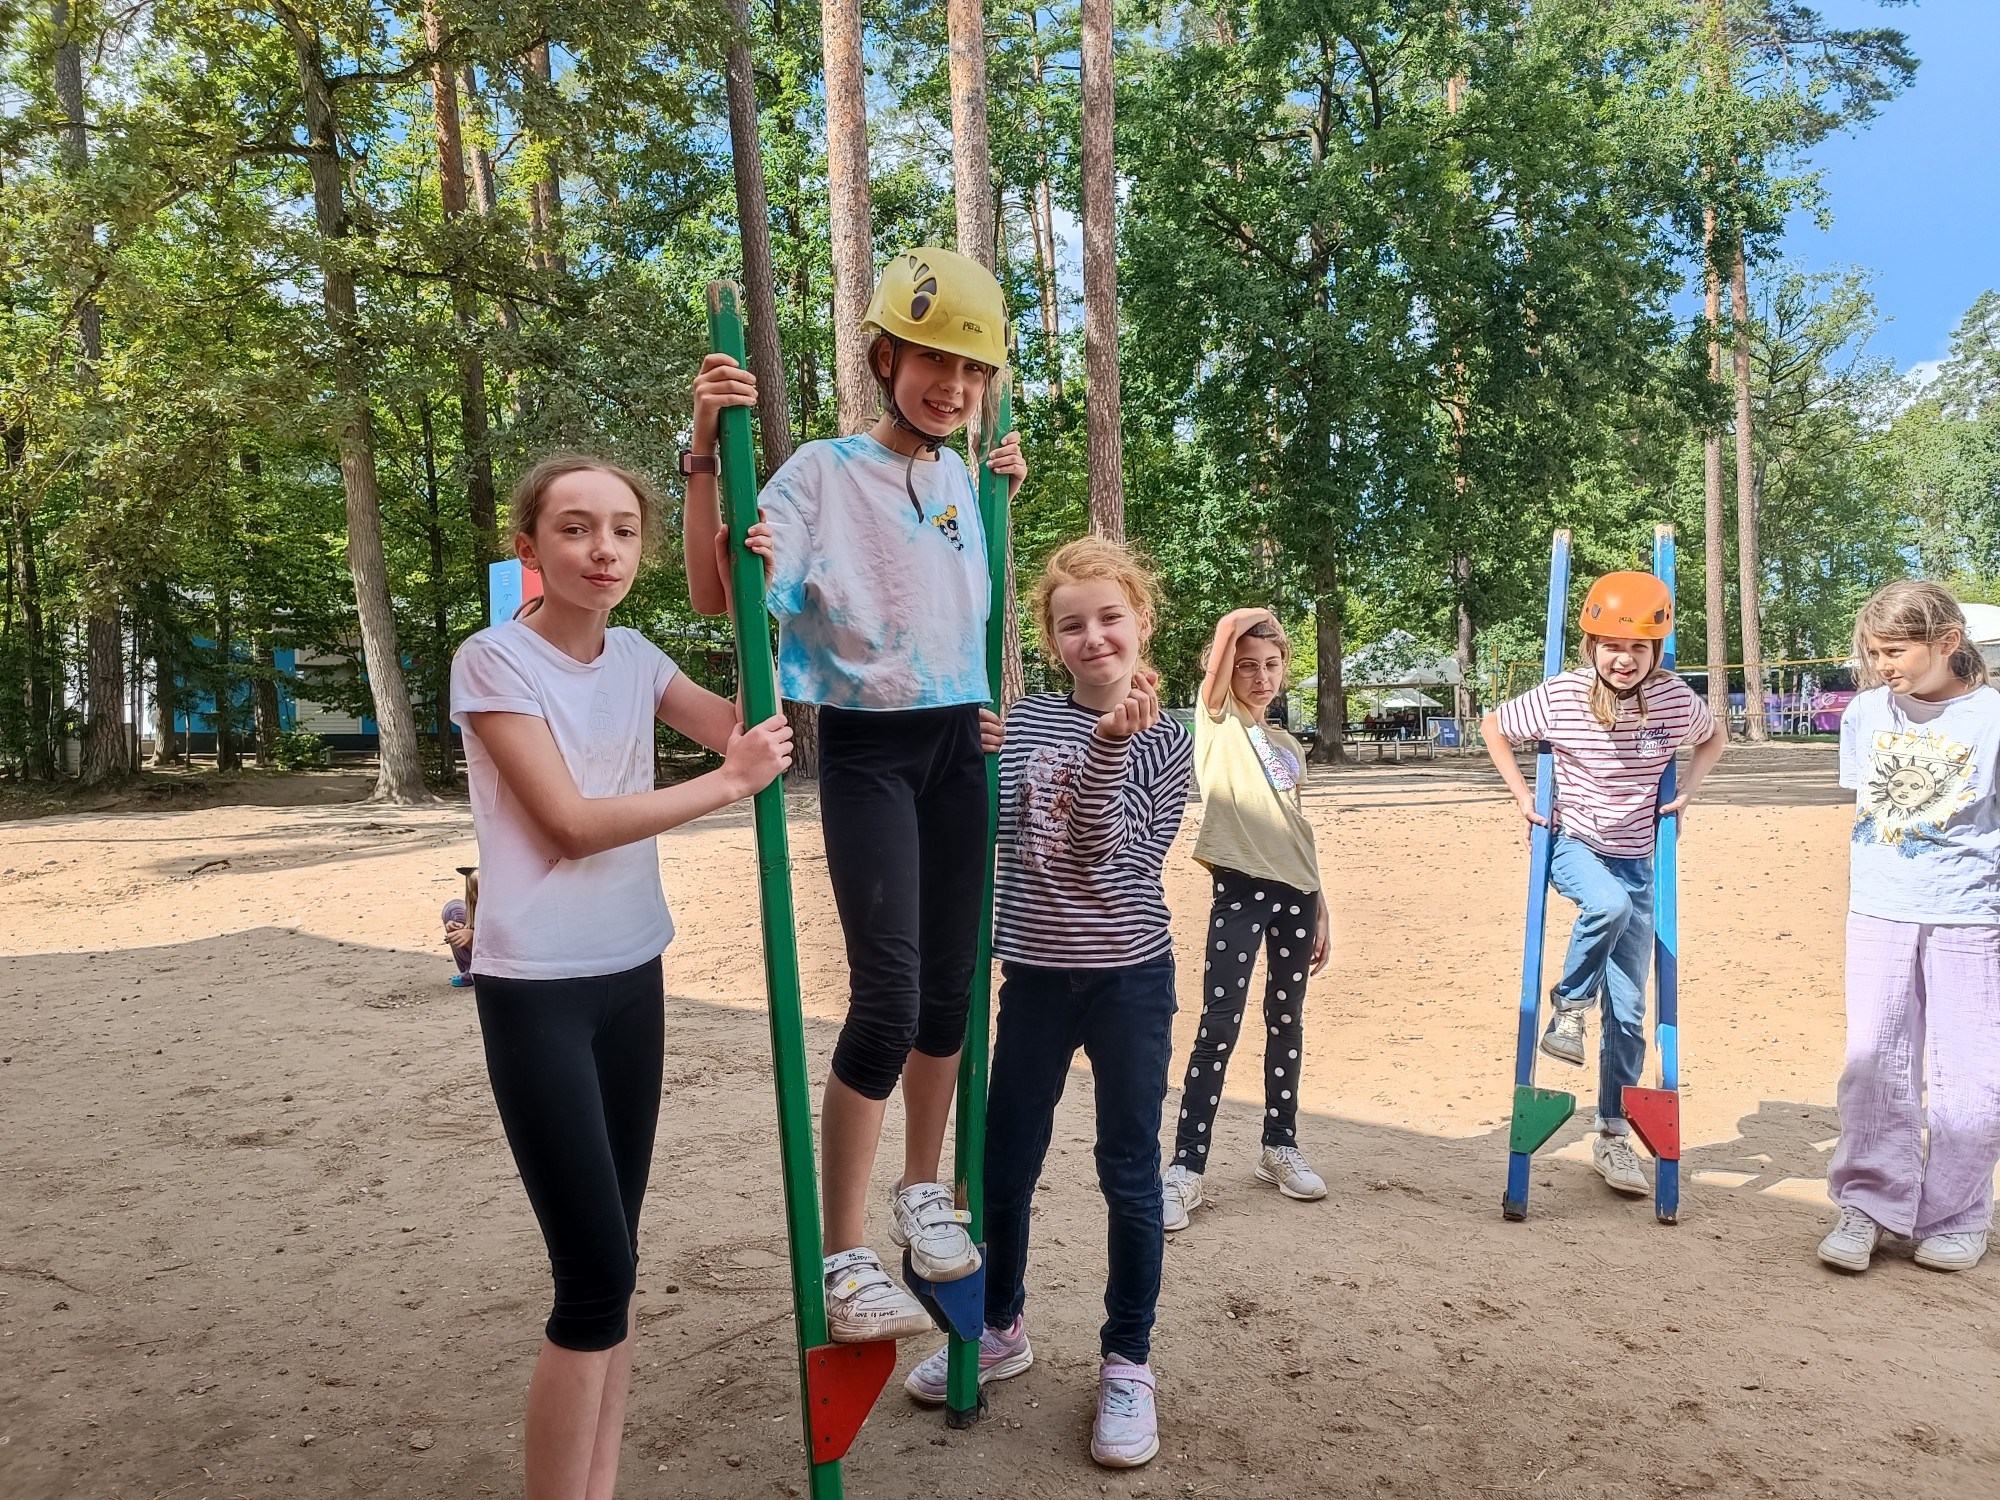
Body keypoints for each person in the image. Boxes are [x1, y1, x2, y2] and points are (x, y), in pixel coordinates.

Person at [681, 247, 1027, 1340]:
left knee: (950, 996)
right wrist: (703, 457)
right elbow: (717, 594)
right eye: (932, 362)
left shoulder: (964, 480)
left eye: (970, 371)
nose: (952, 388)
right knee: (886, 1002)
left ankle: (922, 1192)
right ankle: (842, 1253)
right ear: (885, 359)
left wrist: (1003, 491)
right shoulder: (821, 474)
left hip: (958, 748)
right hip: (871, 749)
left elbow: (956, 617)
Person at [450, 453, 792, 1500]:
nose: (603, 549)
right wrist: (725, 787)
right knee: (592, 1279)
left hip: (632, 975)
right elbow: (567, 824)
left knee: (620, 1268)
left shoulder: (637, 656)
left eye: (624, 530)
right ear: (530, 547)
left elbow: (744, 728)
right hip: (538, 991)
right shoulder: (493, 662)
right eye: (575, 528)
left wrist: (762, 605)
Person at [902, 537, 1193, 1468]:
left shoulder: (1169, 739)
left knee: (1128, 1171)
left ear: (1141, 621)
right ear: (1051, 639)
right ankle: (1000, 1325)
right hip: (1031, 973)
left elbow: (1103, 858)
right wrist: (973, 756)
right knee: (1003, 1162)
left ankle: (1127, 1359)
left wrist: (1109, 750)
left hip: (1128, 978)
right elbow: (997, 829)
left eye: (1110, 618)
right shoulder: (1024, 721)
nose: (1093, 637)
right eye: (1072, 625)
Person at [1480, 571, 1724, 1198]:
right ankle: (1569, 1006)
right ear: (1592, 645)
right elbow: (1494, 726)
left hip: (1637, 860)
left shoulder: (1673, 700)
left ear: (1656, 650)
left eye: (1640, 647)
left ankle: (1612, 1132)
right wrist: (1522, 795)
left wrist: (1689, 790)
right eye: (1613, 646)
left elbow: (1714, 735)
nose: (1625, 659)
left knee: (1632, 1011)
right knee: (1606, 904)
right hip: (1575, 845)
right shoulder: (1562, 695)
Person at [1816, 580, 2000, 1275]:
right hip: (1879, 908)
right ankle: (1868, 1204)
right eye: (1873, 652)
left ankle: (1957, 1214)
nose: (1880, 665)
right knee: (1873, 1063)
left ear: (1947, 642)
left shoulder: (1991, 718)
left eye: (1894, 651)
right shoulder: (1866, 712)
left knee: (1973, 1074)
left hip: (1970, 914)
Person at [1162, 608, 1331, 1233]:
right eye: (1247, 667)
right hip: (1240, 890)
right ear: (1227, 673)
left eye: (1271, 665)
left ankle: (1278, 1145)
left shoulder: (1287, 745)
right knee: (1219, 1025)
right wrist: (1259, 618)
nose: (1261, 677)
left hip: (1298, 893)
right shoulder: (1216, 721)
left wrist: (1321, 906)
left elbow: (1297, 829)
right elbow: (1225, 635)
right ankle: (1186, 1167)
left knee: (1287, 1022)